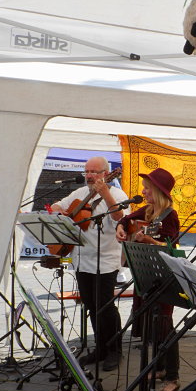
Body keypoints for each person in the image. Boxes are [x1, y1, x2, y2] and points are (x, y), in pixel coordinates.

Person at [51, 156, 128, 372]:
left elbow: (121, 219)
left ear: (106, 173)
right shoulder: (80, 193)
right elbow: (59, 205)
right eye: (87, 171)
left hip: (105, 260)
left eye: (95, 171)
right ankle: (101, 348)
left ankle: (115, 350)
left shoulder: (117, 194)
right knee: (90, 305)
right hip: (81, 259)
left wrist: (105, 194)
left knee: (105, 306)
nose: (90, 175)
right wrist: (60, 212)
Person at [116, 168, 182, 391]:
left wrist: (150, 240)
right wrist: (121, 228)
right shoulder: (148, 210)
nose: (143, 191)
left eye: (147, 188)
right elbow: (126, 218)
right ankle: (161, 367)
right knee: (152, 325)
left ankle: (173, 376)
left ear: (159, 191)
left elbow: (172, 248)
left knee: (165, 326)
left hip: (163, 278)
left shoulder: (169, 216)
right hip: (146, 274)